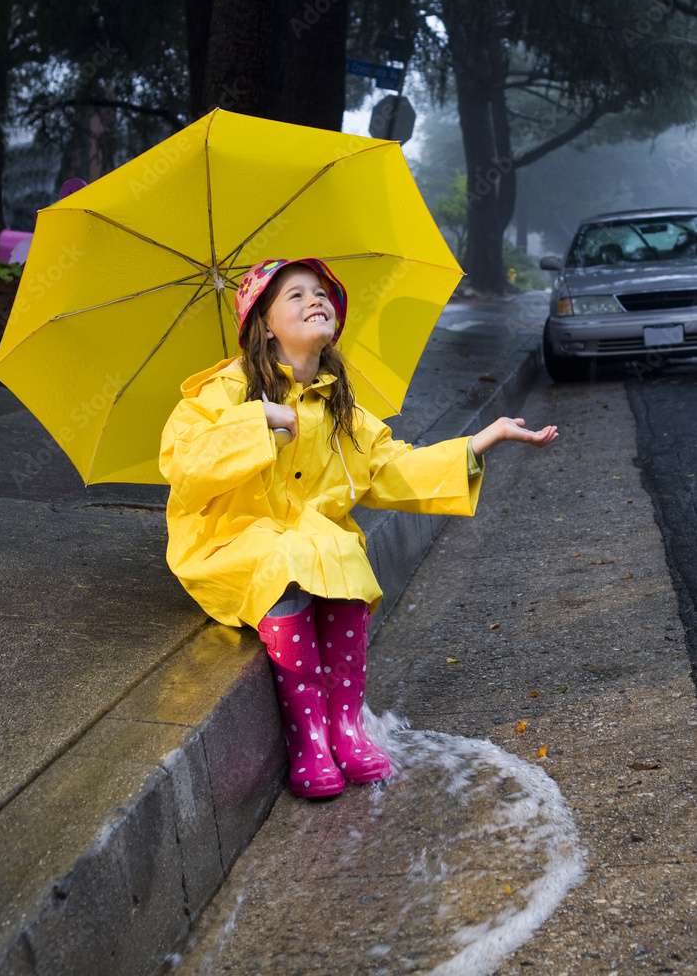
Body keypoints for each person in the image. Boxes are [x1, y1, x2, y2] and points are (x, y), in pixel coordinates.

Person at [158, 257, 558, 800]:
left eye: (320, 293)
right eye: (295, 296)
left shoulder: (337, 404)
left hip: (308, 542)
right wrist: (257, 421)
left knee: (341, 548)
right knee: (290, 559)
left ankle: (346, 727)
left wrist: (478, 442)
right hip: (232, 538)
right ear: (263, 324)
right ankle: (310, 739)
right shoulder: (223, 392)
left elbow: (389, 467)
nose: (314, 300)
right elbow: (184, 464)